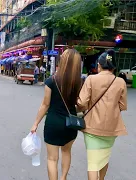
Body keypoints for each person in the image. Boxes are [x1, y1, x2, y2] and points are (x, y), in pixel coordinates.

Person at [30, 49, 82, 180]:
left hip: (53, 123)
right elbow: (80, 103)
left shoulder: (51, 81)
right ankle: (64, 177)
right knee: (66, 152)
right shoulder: (79, 82)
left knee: (52, 159)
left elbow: (45, 105)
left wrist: (35, 123)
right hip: (71, 124)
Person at [77, 49, 127, 180]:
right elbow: (122, 106)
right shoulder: (120, 82)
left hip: (92, 128)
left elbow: (82, 103)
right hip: (112, 128)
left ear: (99, 65)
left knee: (93, 163)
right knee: (104, 157)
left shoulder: (91, 79)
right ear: (113, 67)